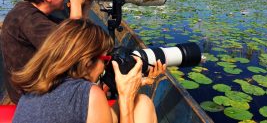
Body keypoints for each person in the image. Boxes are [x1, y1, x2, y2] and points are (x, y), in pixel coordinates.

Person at [12, 19, 165, 123]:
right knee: (143, 104)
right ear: (86, 62)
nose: (105, 67)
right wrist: (125, 98)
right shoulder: (87, 93)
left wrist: (132, 88)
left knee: (141, 102)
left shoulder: (31, 91)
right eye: (105, 60)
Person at [0, 0, 88, 104]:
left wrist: (79, 5)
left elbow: (64, 28)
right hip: (30, 96)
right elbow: (72, 48)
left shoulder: (26, 10)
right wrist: (75, 4)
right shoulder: (29, 19)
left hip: (27, 86)